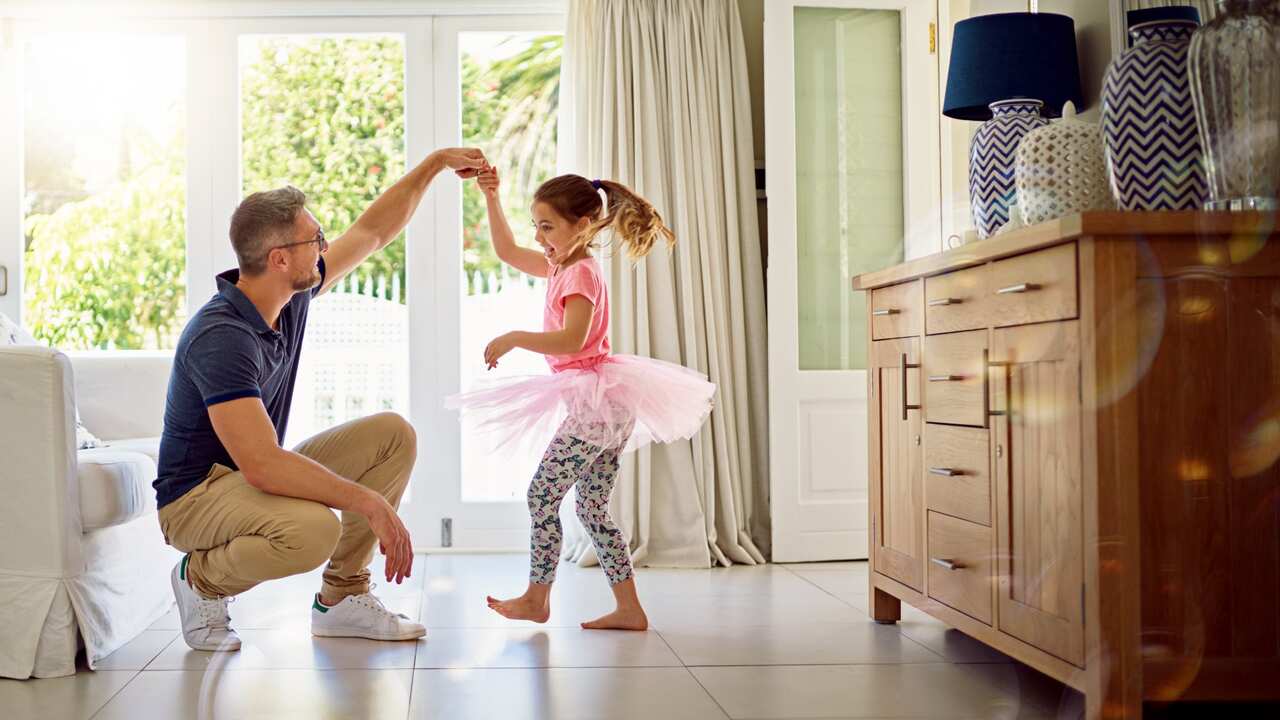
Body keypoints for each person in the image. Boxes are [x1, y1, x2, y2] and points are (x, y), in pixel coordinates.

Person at [154, 147, 487, 651]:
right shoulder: (220, 336)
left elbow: (372, 233)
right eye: (315, 239)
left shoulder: (289, 299)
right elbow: (264, 465)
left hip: (245, 477)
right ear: (279, 258)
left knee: (392, 435)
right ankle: (199, 580)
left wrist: (435, 164)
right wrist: (368, 502)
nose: (324, 246)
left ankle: (341, 600)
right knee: (312, 531)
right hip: (194, 498)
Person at [447, 167, 715, 631]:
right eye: (536, 224)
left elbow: (574, 339)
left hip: (597, 405)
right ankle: (629, 609)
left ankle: (537, 598)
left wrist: (514, 337)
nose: (539, 236)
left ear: (585, 225)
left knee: (540, 496)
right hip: (600, 403)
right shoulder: (561, 266)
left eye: (547, 226)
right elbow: (507, 252)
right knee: (591, 508)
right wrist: (491, 196)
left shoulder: (580, 275)